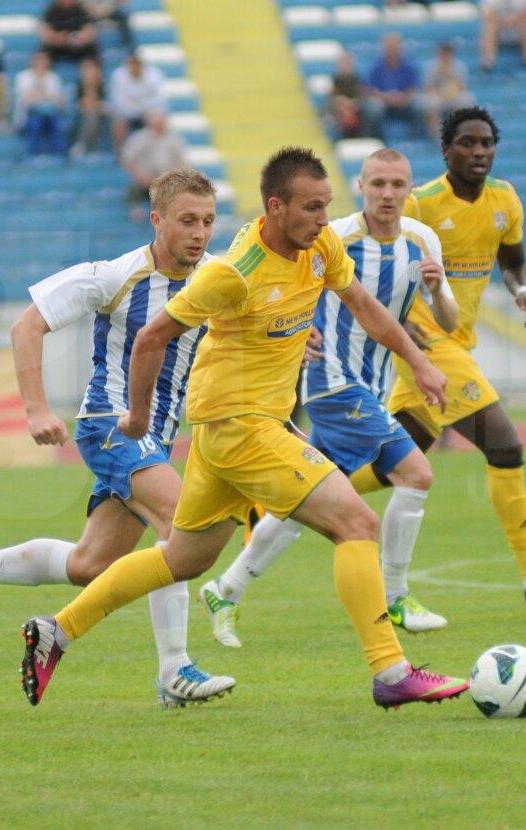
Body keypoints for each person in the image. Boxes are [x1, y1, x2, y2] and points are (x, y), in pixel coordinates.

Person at [17, 147, 468, 710]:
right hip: (241, 428)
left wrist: (419, 361)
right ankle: (391, 670)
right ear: (276, 208)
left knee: (183, 559)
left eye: (327, 206)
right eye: (311, 208)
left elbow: (362, 304)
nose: (325, 219)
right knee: (356, 522)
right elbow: (150, 338)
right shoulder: (234, 272)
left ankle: (56, 630)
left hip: (227, 431)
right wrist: (135, 417)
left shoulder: (321, 245)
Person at [0, 169, 235, 708]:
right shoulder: (114, 276)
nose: (199, 233)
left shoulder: (215, 280)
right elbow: (27, 325)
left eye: (207, 221)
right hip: (110, 424)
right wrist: (36, 407)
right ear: (156, 220)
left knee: (89, 565)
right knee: (180, 525)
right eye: (187, 221)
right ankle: (175, 671)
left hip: (154, 436)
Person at [198, 148, 461, 647]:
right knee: (416, 473)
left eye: (398, 184)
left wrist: (439, 300)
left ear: (410, 189)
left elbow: (446, 322)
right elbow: (289, 282)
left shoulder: (422, 241)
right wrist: (299, 333)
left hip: (375, 383)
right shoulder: (334, 234)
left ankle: (225, 588)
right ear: (361, 186)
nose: (388, 193)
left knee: (305, 498)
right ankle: (398, 595)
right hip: (332, 381)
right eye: (378, 183)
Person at [375, 106, 526, 617]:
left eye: (486, 144)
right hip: (427, 345)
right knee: (506, 446)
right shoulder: (422, 203)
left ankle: (282, 499)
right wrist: (396, 322)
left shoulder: (505, 198)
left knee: (394, 463)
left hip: (457, 339)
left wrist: (522, 291)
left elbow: (513, 258)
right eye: (468, 144)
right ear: (446, 150)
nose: (479, 152)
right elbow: (383, 262)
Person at [121, 109, 186, 217]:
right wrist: (141, 175)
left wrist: (172, 177)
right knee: (134, 189)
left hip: (167, 178)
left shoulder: (174, 139)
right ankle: (135, 211)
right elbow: (128, 160)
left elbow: (181, 162)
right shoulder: (139, 138)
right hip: (144, 178)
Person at [366, 32, 424, 137]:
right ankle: (379, 139)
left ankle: (416, 140)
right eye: (389, 47)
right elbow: (372, 89)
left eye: (394, 46)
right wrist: (386, 97)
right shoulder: (376, 66)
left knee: (420, 104)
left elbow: (413, 87)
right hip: (383, 101)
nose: (392, 50)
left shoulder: (408, 65)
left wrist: (403, 97)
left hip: (404, 101)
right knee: (374, 108)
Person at [107, 51, 165, 151]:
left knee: (157, 118)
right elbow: (118, 102)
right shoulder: (118, 76)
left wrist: (142, 107)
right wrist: (136, 107)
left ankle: (157, 151)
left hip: (147, 111)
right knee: (118, 122)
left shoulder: (154, 76)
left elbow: (159, 99)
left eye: (137, 65)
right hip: (126, 112)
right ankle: (122, 154)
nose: (134, 68)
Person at [13, 50, 67, 156]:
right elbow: (27, 97)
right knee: (35, 123)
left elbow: (60, 100)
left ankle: (58, 157)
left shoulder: (53, 77)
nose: (41, 63)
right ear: (32, 61)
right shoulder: (23, 76)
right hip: (30, 114)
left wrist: (41, 97)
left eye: (44, 60)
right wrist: (48, 97)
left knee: (57, 124)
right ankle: (33, 156)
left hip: (51, 114)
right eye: (38, 60)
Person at [421, 42, 476, 141]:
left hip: (454, 95)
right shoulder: (431, 67)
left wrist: (450, 74)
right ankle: (436, 136)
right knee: (430, 103)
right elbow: (428, 88)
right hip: (438, 95)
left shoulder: (459, 66)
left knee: (467, 99)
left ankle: (459, 134)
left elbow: (462, 87)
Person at [326, 50, 378, 140]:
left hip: (358, 113)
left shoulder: (358, 80)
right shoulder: (335, 81)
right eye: (343, 63)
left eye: (348, 63)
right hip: (341, 114)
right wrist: (341, 103)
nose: (345, 66)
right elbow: (332, 99)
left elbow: (364, 97)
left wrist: (352, 104)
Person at [479, 0, 526, 72]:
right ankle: (488, 62)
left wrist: (513, 20)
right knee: (489, 26)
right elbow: (487, 15)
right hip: (500, 30)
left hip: (518, 28)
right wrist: (504, 21)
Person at [70, 56, 106, 157]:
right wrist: (88, 85)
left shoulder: (102, 83)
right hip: (83, 112)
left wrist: (93, 84)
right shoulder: (78, 84)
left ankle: (83, 145)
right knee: (91, 114)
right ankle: (88, 146)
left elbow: (103, 102)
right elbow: (80, 103)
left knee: (96, 113)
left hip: (101, 111)